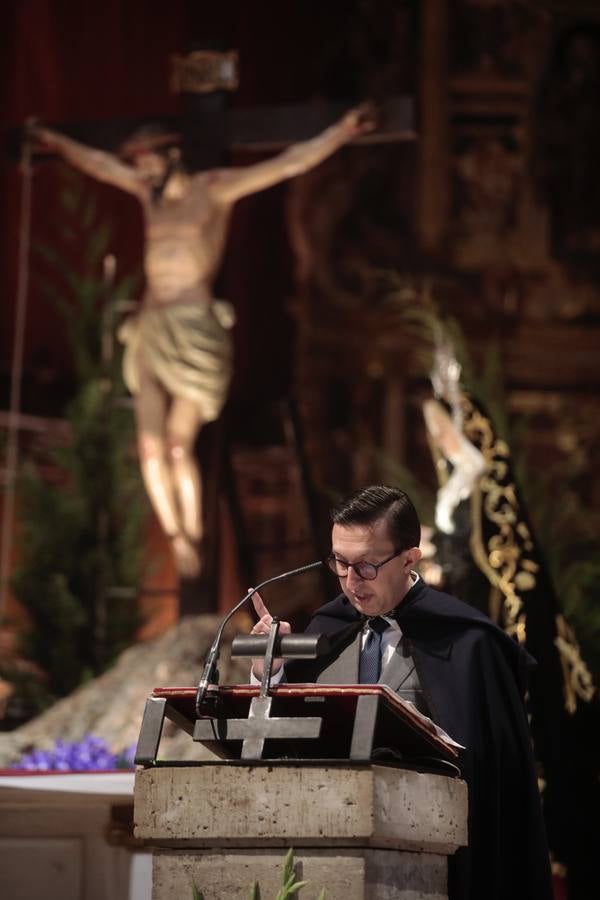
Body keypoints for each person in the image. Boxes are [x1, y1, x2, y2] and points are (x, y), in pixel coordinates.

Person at [29, 107, 375, 576]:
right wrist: (56, 140)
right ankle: (175, 535)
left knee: (176, 445)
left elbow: (289, 163)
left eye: (148, 161)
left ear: (173, 156)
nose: (141, 171)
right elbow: (101, 166)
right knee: (149, 446)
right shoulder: (148, 196)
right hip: (151, 323)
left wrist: (342, 132)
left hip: (193, 328)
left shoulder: (213, 189)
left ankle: (193, 530)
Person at [250, 484, 553, 900]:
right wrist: (269, 672)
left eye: (367, 566)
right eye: (340, 563)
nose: (352, 581)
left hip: (431, 869)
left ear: (411, 557)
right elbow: (273, 744)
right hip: (322, 857)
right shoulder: (325, 629)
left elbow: (491, 781)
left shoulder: (467, 642)